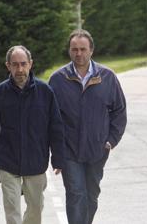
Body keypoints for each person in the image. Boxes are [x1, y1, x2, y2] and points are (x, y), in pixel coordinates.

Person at [49, 29, 127, 224]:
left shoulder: (107, 77)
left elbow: (119, 111)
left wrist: (111, 140)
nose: (79, 53)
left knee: (91, 196)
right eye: (74, 49)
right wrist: (56, 151)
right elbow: (49, 118)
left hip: (98, 149)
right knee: (76, 194)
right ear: (69, 51)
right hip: (69, 150)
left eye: (83, 49)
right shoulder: (58, 79)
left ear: (91, 50)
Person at [0, 45, 64, 224]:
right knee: (12, 208)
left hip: (36, 160)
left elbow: (55, 127)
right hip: (7, 160)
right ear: (8, 66)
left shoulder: (45, 92)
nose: (19, 69)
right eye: (15, 65)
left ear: (30, 64)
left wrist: (58, 158)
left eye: (23, 64)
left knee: (36, 207)